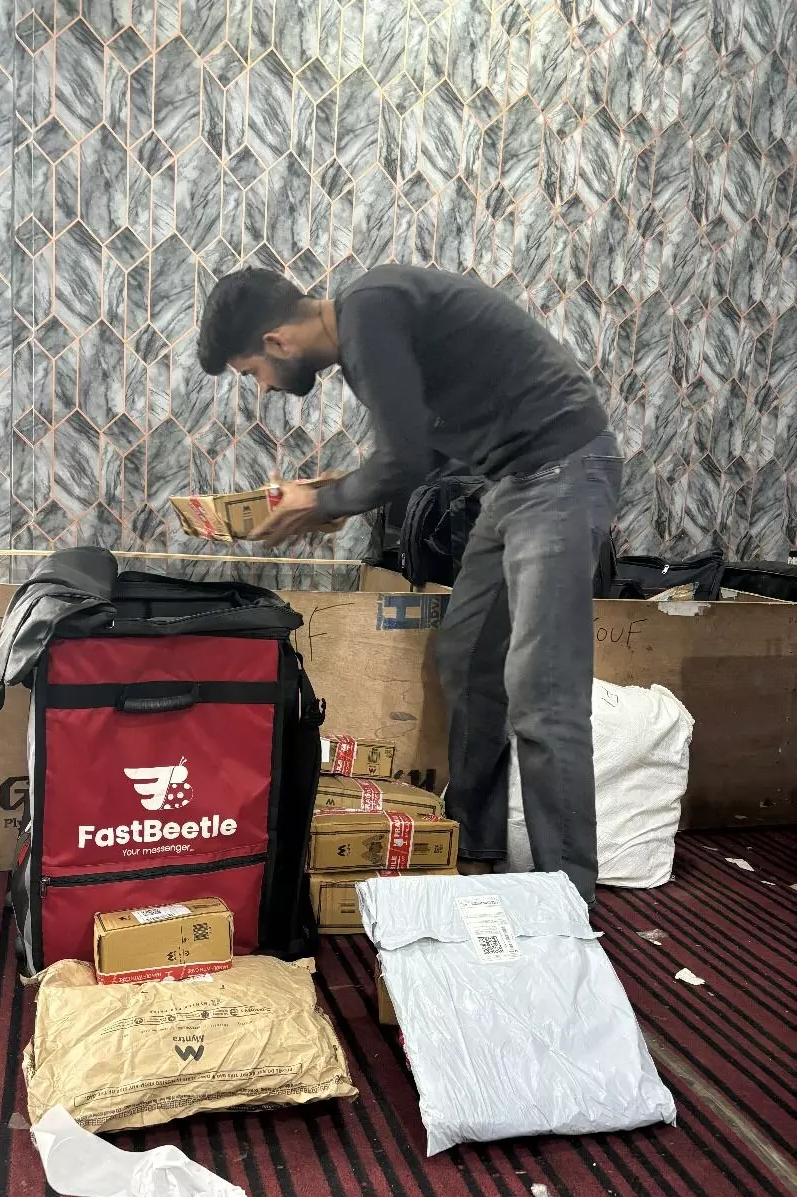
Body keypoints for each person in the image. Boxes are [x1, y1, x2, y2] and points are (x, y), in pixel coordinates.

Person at [196, 264, 622, 905]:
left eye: (251, 372)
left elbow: (404, 462)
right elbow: (423, 450)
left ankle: (566, 903)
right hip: (515, 483)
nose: (262, 387)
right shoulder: (370, 323)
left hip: (562, 471)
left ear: (278, 343)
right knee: (468, 657)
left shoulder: (370, 309)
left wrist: (323, 503)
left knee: (542, 692)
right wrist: (323, 493)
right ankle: (477, 854)